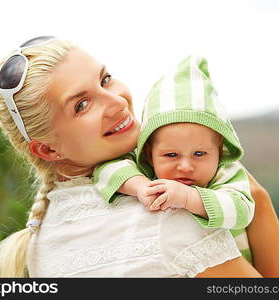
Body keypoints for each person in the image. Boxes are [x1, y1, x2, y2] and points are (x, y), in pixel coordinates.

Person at [0, 36, 279, 277]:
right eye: (81, 105)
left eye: (105, 79)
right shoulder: (167, 210)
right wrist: (257, 202)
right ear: (47, 149)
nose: (116, 103)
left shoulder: (40, 243)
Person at [93, 55, 254, 264]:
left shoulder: (226, 174)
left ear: (220, 149)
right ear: (149, 153)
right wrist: (140, 187)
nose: (185, 166)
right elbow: (105, 169)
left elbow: (242, 211)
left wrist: (188, 197)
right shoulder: (146, 171)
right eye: (171, 155)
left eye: (199, 154)